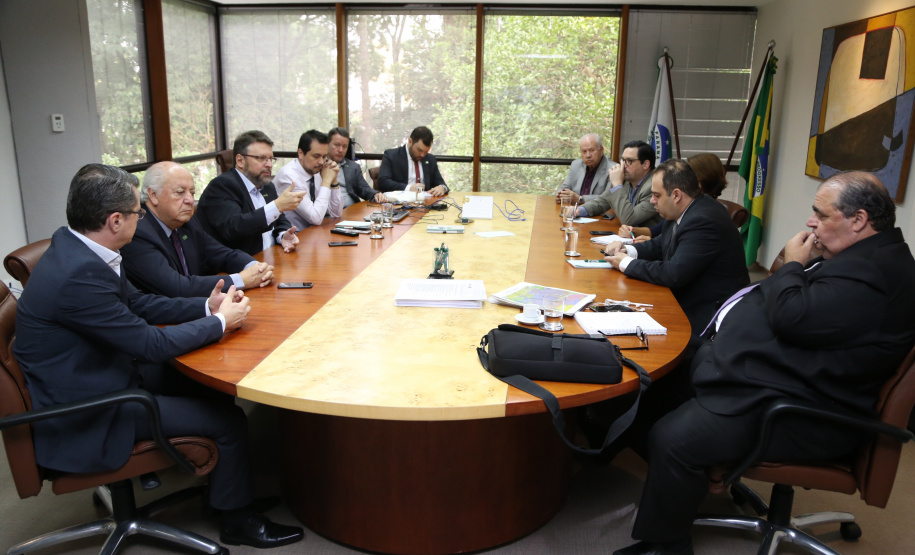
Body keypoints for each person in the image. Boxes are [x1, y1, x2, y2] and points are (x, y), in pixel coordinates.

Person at [614, 171, 915, 555]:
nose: (811, 222)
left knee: (672, 438)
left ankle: (668, 544)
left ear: (858, 220)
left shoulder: (874, 273)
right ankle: (694, 478)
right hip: (791, 381)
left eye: (820, 215)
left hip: (808, 411)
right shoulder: (867, 255)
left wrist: (792, 264)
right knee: (660, 390)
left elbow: (792, 316)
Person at [14, 164, 304, 549]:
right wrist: (219, 323)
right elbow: (149, 344)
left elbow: (139, 303)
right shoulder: (79, 275)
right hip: (89, 409)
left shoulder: (79, 248)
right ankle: (236, 519)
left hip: (99, 372)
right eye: (137, 212)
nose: (141, 218)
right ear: (116, 221)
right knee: (229, 420)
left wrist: (206, 306)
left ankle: (226, 491)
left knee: (210, 385)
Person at [603, 158, 748, 343]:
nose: (652, 200)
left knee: (627, 338)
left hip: (706, 317)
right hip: (684, 298)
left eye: (656, 195)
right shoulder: (683, 209)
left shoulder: (704, 220)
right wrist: (627, 249)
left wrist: (625, 263)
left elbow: (674, 274)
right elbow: (660, 244)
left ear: (677, 195)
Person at [120, 161, 274, 298]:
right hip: (162, 322)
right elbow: (176, 287)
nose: (189, 200)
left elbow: (221, 253)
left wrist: (254, 267)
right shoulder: (137, 231)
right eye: (180, 193)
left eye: (192, 193)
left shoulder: (187, 221)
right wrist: (241, 280)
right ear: (153, 195)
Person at [196, 130, 303, 256]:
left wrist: (283, 235)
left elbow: (280, 220)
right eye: (261, 158)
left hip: (271, 257)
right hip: (237, 267)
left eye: (270, 159)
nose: (269, 164)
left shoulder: (268, 186)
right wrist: (277, 206)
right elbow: (233, 228)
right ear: (240, 161)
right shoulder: (223, 186)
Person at [621, 153, 729, 242]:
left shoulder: (703, 217)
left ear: (699, 182)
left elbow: (679, 260)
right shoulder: (686, 207)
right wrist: (633, 231)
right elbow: (658, 231)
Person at [577, 140, 661, 227]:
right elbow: (601, 202)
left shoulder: (654, 187)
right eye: (623, 160)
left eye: (629, 161)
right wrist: (579, 210)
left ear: (645, 164)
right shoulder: (625, 180)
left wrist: (617, 184)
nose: (623, 166)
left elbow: (629, 220)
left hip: (649, 238)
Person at [273, 129, 343, 229]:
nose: (321, 162)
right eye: (316, 156)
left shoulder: (315, 170)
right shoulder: (288, 176)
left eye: (324, 157)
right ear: (301, 153)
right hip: (292, 237)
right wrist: (326, 181)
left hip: (312, 233)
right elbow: (315, 218)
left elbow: (336, 213)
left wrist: (334, 181)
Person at [377, 126, 449, 196]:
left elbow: (441, 183)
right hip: (400, 204)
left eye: (426, 152)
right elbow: (383, 182)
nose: (422, 155)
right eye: (419, 150)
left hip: (425, 204)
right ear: (410, 141)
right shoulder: (392, 155)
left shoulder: (430, 159)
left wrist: (442, 188)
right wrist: (409, 188)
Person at [327, 127, 387, 207]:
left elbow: (364, 188)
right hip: (328, 213)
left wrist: (376, 194)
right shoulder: (319, 166)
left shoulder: (353, 167)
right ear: (327, 144)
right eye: (337, 145)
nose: (341, 150)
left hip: (351, 210)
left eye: (344, 146)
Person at [555, 133, 613, 205]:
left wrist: (580, 199)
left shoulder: (613, 169)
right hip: (575, 210)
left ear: (601, 150)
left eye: (591, 150)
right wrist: (560, 195)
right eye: (584, 151)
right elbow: (563, 188)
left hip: (599, 213)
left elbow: (609, 197)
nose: (588, 155)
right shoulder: (576, 165)